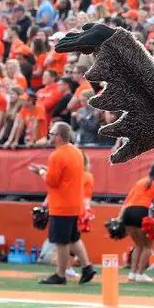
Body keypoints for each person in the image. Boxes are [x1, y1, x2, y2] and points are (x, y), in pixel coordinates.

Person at [31, 121, 96, 285]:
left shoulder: (57, 155)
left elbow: (52, 181)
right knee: (73, 238)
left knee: (62, 241)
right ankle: (87, 266)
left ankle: (60, 274)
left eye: (52, 134)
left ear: (59, 136)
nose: (49, 136)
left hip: (61, 204)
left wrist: (41, 172)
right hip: (74, 203)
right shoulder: (76, 152)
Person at [120, 162, 154, 282]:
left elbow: (126, 202)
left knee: (138, 245)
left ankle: (132, 273)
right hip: (143, 213)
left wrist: (119, 218)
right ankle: (140, 273)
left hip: (128, 214)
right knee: (147, 246)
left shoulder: (140, 182)